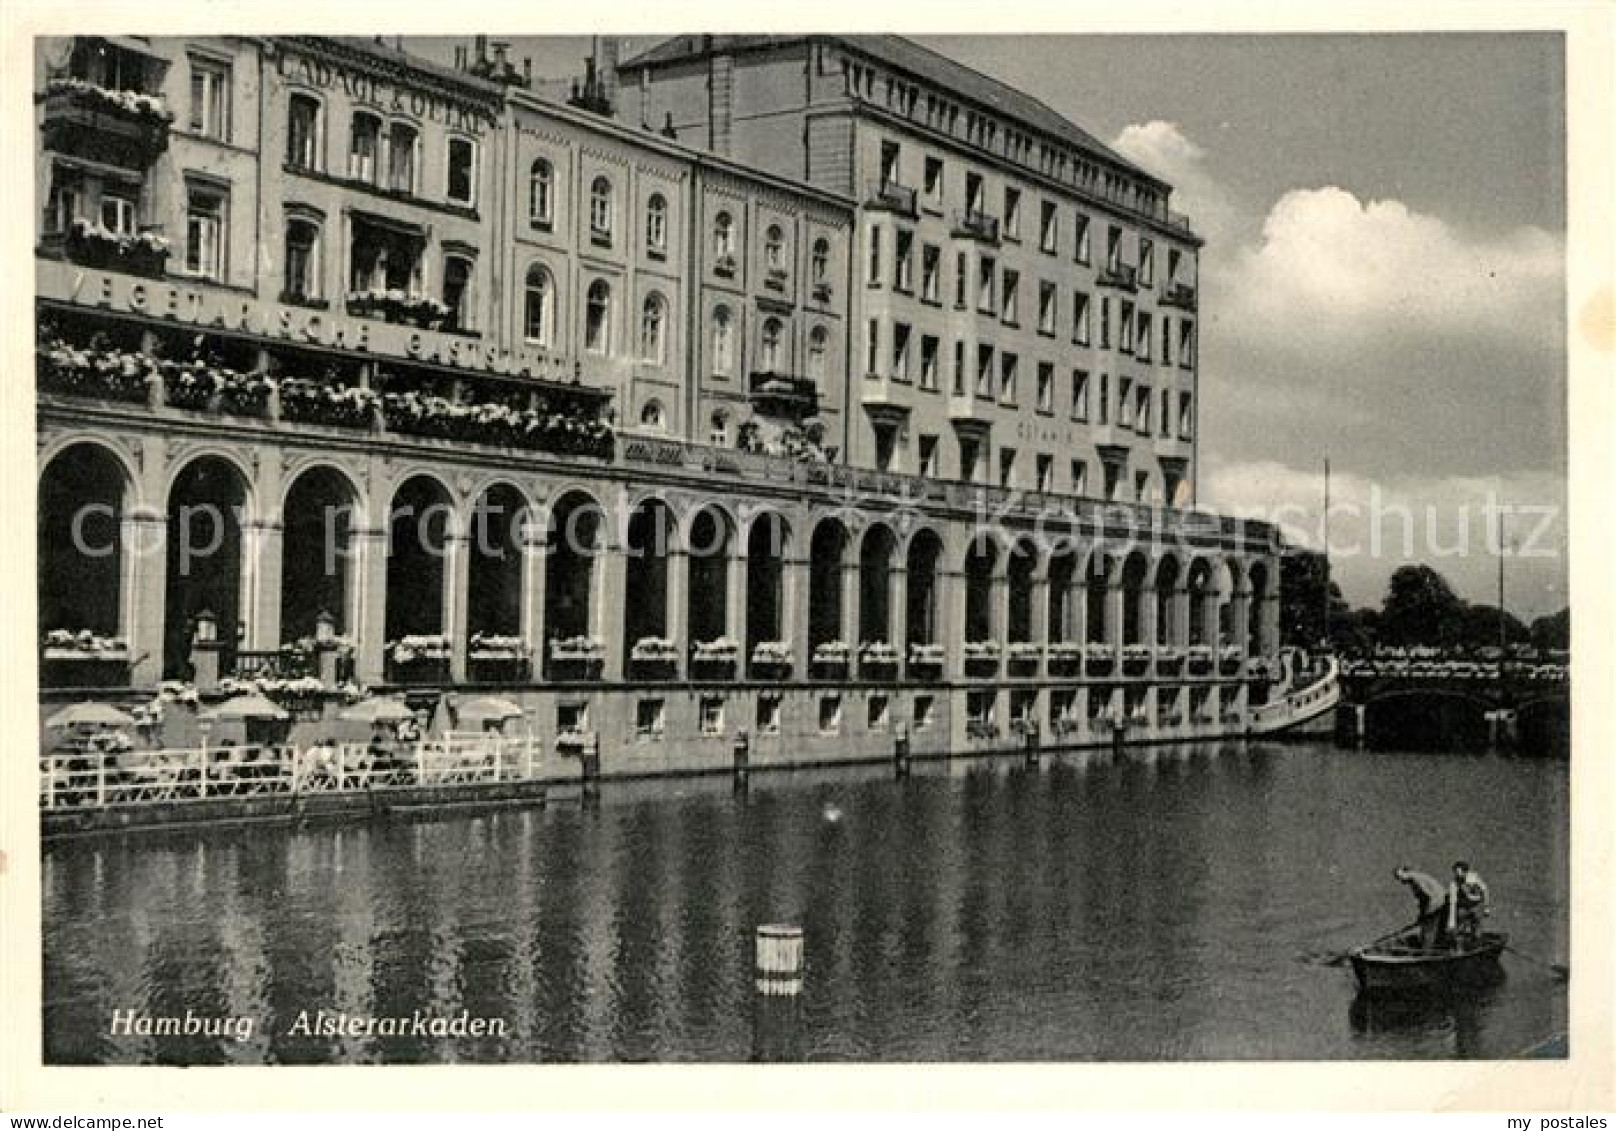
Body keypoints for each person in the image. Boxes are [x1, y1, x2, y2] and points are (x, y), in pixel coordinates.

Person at [1393, 865, 1449, 949]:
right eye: (1398, 878)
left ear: (1406, 872)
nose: (1400, 880)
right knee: (1434, 929)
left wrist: (1425, 914)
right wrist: (1422, 914)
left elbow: (1428, 896)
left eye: (1400, 876)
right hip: (1440, 902)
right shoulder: (1416, 878)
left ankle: (1426, 952)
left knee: (1428, 929)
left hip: (1437, 903)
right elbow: (1423, 899)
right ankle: (1435, 947)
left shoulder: (1416, 879)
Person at [1448, 860, 1492, 946]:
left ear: (1465, 872)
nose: (1457, 874)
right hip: (1463, 907)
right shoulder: (1454, 883)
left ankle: (1477, 945)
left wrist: (1486, 907)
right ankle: (1459, 948)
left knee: (1476, 928)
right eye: (1455, 872)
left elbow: (1485, 891)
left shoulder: (1474, 878)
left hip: (1476, 905)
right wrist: (1451, 921)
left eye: (1458, 872)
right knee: (1459, 929)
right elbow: (1453, 902)